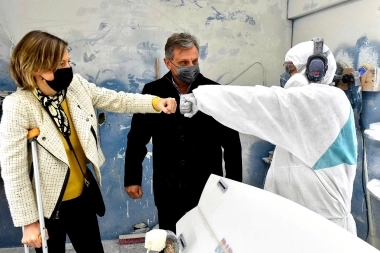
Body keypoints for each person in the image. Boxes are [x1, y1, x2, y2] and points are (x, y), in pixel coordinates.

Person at [0, 30, 176, 253]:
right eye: (60, 63)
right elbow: (13, 170)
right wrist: (28, 222)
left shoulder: (74, 87)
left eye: (68, 61)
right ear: (36, 67)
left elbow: (115, 99)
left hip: (82, 195)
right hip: (47, 204)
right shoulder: (19, 106)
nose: (68, 68)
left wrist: (155, 103)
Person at [180, 39, 357, 234]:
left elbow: (263, 103)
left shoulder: (328, 100)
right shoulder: (303, 109)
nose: (287, 77)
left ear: (316, 69)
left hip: (325, 224)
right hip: (299, 219)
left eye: (291, 70)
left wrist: (203, 99)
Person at [124, 32, 243, 234]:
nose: (191, 67)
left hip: (207, 187)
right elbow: (137, 138)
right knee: (171, 241)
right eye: (183, 62)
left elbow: (231, 142)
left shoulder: (213, 92)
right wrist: (132, 178)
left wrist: (233, 184)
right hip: (169, 188)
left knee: (208, 239)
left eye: (195, 61)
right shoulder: (153, 92)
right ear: (168, 63)